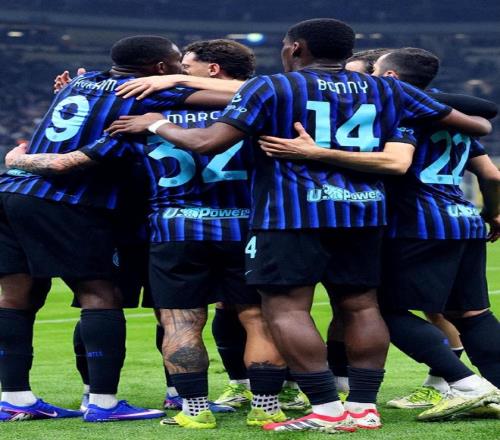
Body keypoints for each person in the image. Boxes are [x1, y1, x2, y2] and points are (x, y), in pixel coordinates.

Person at [105, 18, 491, 433]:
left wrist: (156, 123)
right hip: (363, 213)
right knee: (361, 305)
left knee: (286, 308)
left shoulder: (272, 87)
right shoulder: (387, 89)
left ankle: (326, 408)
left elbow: (207, 142)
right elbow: (479, 125)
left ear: (295, 48)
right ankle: (363, 406)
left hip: (291, 214)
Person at [6, 38, 288, 430]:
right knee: (108, 297)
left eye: (186, 66)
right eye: (177, 64)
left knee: (34, 297)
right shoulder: (181, 102)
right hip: (217, 223)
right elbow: (263, 94)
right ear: (157, 67)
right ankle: (256, 403)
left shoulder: (102, 91)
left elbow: (73, 152)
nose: (181, 70)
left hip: (140, 219)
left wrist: (19, 160)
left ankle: (24, 397)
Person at [256, 47, 500, 421]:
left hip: (417, 223)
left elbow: (396, 162)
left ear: (389, 78)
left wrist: (316, 152)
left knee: (378, 309)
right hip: (462, 219)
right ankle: (482, 387)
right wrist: (493, 211)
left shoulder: (401, 112)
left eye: (367, 75)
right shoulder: (452, 119)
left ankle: (465, 383)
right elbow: (492, 172)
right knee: (472, 314)